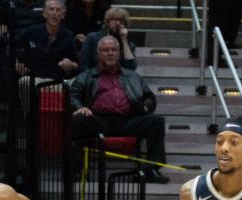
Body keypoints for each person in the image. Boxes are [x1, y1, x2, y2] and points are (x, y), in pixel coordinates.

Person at [66, 35, 168, 181]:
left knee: (156, 121)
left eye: (114, 50)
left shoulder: (133, 76)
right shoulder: (86, 76)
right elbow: (73, 94)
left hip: (128, 120)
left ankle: (150, 170)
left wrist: (145, 107)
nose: (110, 53)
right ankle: (79, 169)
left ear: (119, 53)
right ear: (98, 54)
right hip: (99, 120)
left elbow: (149, 97)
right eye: (106, 50)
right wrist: (80, 107)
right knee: (79, 119)